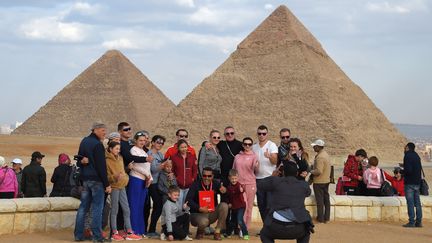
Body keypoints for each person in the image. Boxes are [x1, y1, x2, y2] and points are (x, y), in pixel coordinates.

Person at [258, 161, 313, 243]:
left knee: (264, 234)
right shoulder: (303, 185)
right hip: (297, 228)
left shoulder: (276, 181)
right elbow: (308, 193)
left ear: (283, 172)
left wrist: (272, 176)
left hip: (276, 227)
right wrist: (301, 178)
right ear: (297, 173)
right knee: (306, 233)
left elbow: (260, 185)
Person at [74, 122, 111, 242]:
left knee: (83, 207)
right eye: (103, 131)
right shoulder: (98, 145)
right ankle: (97, 236)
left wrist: (84, 162)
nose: (105, 133)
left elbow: (79, 161)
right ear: (95, 130)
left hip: (85, 180)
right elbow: (101, 167)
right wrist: (107, 184)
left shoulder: (84, 141)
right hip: (96, 181)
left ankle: (78, 235)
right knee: (97, 209)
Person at [105, 141, 141, 241]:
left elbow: (122, 171)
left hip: (123, 186)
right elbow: (107, 177)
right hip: (115, 187)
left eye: (119, 149)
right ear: (110, 149)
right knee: (114, 210)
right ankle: (114, 232)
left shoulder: (120, 158)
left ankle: (129, 231)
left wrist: (127, 169)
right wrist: (114, 177)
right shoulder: (107, 160)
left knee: (126, 209)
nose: (118, 150)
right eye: (116, 148)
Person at [186, 167, 228, 240]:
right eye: (204, 175)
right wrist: (199, 208)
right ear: (201, 175)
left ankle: (217, 232)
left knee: (224, 206)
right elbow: (188, 200)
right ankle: (200, 231)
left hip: (211, 213)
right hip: (197, 214)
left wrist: (225, 191)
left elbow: (224, 196)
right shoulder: (195, 184)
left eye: (209, 176)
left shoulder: (216, 183)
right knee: (204, 221)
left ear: (212, 176)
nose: (206, 178)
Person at [128, 131, 153, 237]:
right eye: (140, 140)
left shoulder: (143, 151)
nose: (142, 142)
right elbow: (134, 166)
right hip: (136, 179)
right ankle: (133, 230)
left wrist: (150, 178)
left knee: (140, 206)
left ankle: (140, 230)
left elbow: (147, 166)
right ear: (135, 141)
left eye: (144, 140)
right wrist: (147, 175)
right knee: (134, 205)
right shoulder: (133, 150)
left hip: (143, 181)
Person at [232, 137, 259, 229]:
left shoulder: (254, 156)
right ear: (243, 145)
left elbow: (256, 169)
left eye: (249, 144)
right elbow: (234, 170)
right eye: (245, 144)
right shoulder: (237, 156)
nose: (247, 146)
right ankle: (239, 226)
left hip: (250, 184)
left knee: (249, 207)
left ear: (252, 146)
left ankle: (244, 228)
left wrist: (256, 166)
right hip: (239, 184)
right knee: (241, 206)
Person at [253, 125, 278, 222]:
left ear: (267, 134)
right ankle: (266, 227)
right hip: (258, 179)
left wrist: (269, 156)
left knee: (269, 205)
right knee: (261, 205)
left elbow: (275, 161)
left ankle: (270, 226)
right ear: (257, 134)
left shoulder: (271, 145)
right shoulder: (254, 147)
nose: (261, 135)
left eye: (264, 133)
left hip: (269, 178)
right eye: (259, 133)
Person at [146, 135, 167, 238]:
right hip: (151, 184)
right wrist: (163, 165)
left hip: (158, 183)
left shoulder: (160, 154)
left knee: (158, 206)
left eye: (162, 143)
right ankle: (150, 230)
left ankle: (151, 229)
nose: (160, 144)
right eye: (158, 142)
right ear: (153, 142)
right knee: (157, 205)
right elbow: (152, 170)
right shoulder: (149, 154)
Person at [171, 139, 198, 211]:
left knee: (187, 206)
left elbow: (195, 170)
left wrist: (193, 179)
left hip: (189, 186)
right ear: (178, 148)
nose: (184, 149)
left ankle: (185, 221)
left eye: (185, 147)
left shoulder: (192, 157)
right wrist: (176, 178)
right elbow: (172, 170)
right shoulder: (174, 157)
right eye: (182, 147)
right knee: (179, 206)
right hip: (178, 186)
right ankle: (178, 221)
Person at [310, 139, 331, 223]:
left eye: (314, 146)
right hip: (326, 180)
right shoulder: (325, 154)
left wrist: (310, 171)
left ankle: (320, 218)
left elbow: (319, 171)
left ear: (318, 147)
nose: (313, 148)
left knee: (320, 201)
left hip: (319, 182)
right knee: (326, 200)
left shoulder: (320, 157)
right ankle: (327, 218)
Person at [402, 142, 423, 228]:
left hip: (410, 182)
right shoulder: (416, 156)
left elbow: (409, 170)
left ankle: (411, 222)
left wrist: (403, 170)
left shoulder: (407, 156)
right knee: (417, 202)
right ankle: (419, 222)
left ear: (407, 147)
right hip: (417, 182)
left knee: (410, 202)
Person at [226, 169, 249, 240]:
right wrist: (229, 203)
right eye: (232, 179)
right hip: (234, 207)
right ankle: (228, 233)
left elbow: (241, 190)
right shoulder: (229, 187)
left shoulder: (239, 185)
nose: (234, 180)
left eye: (235, 178)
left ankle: (245, 234)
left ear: (238, 178)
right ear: (229, 178)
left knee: (239, 220)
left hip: (241, 206)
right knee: (232, 221)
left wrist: (241, 190)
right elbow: (228, 196)